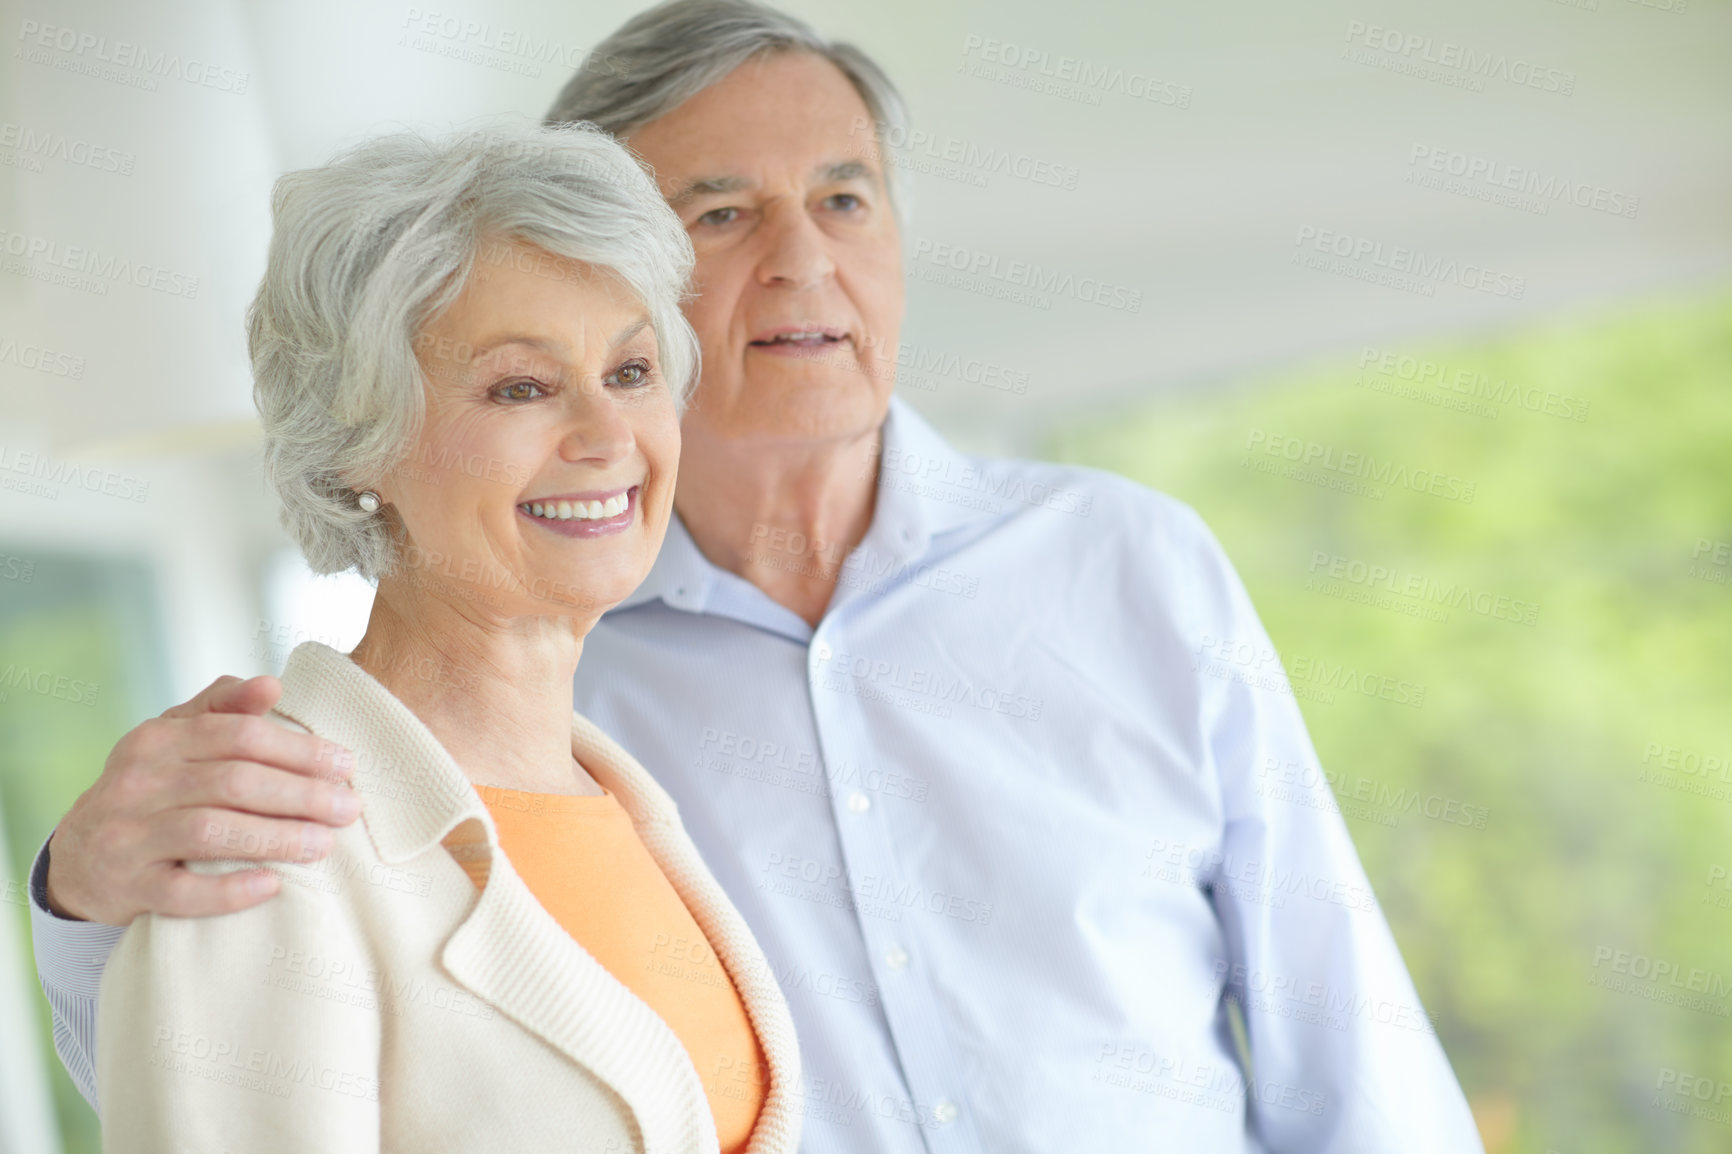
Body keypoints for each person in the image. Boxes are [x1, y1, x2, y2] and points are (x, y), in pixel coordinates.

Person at [31, 2, 1484, 1150]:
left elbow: (1343, 1033)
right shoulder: (525, 674)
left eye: (846, 199)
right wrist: (90, 901)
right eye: (721, 212)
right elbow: (252, 1052)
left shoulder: (1130, 567)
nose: (803, 261)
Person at [87, 121, 800, 1153]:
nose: (608, 436)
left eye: (633, 370)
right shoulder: (265, 845)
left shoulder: (619, 806)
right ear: (359, 443)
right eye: (522, 386)